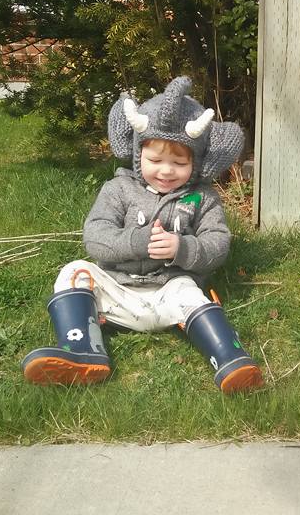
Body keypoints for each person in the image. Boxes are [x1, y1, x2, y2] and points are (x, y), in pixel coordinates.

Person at [21, 76, 264, 392]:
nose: (166, 170)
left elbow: (217, 243)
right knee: (75, 271)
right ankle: (82, 351)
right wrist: (135, 242)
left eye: (179, 162)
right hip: (117, 293)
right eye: (155, 160)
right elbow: (95, 235)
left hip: (169, 293)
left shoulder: (203, 198)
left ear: (196, 162)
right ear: (138, 154)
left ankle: (230, 359)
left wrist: (182, 248)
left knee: (190, 293)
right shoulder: (119, 189)